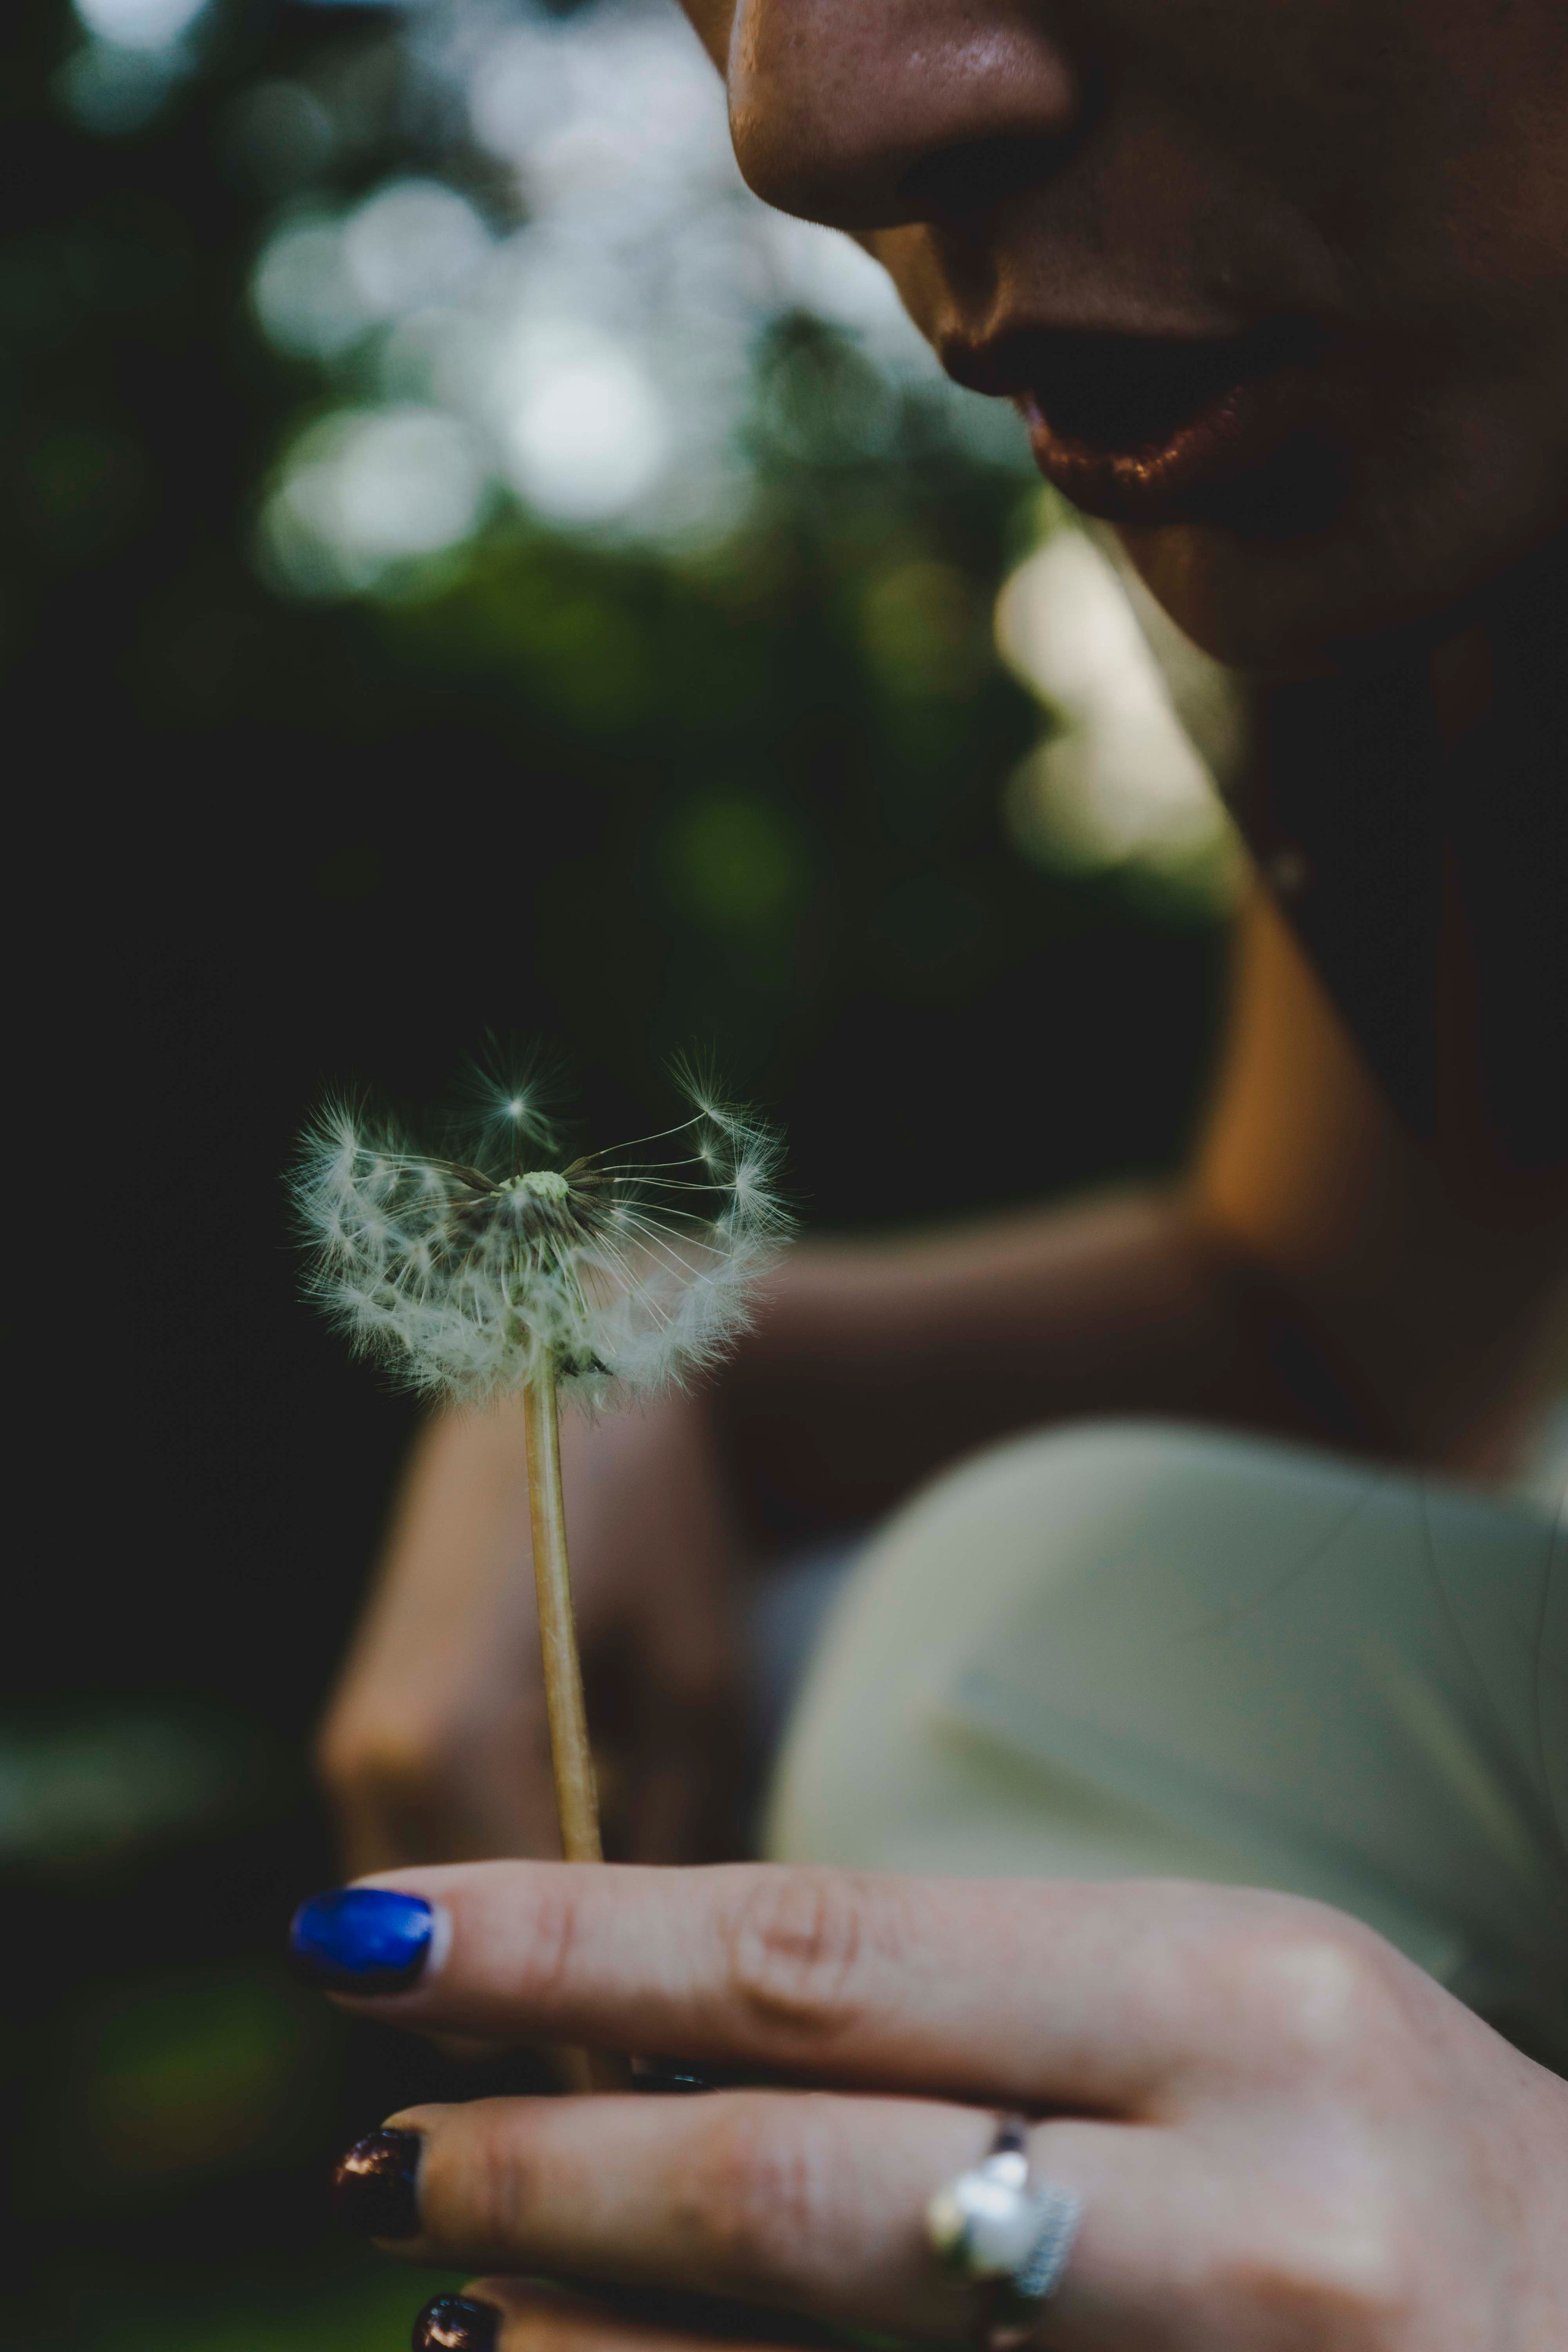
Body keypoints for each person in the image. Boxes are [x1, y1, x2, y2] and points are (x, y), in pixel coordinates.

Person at [292, 0, 1568, 2343]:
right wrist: (666, 1365)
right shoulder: (1453, 597)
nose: (801, 112)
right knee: (1054, 1607)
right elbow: (1348, 1317)